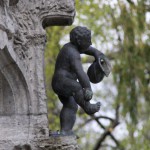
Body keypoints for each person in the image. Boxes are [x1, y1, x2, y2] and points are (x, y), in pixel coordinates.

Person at [52, 26, 102, 135]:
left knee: (71, 105)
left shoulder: (75, 47)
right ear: (79, 41)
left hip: (61, 83)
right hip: (62, 81)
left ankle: (65, 131)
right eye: (88, 41)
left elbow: (88, 48)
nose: (91, 43)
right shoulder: (72, 52)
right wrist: (88, 88)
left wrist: (97, 53)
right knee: (77, 87)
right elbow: (80, 73)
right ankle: (87, 106)